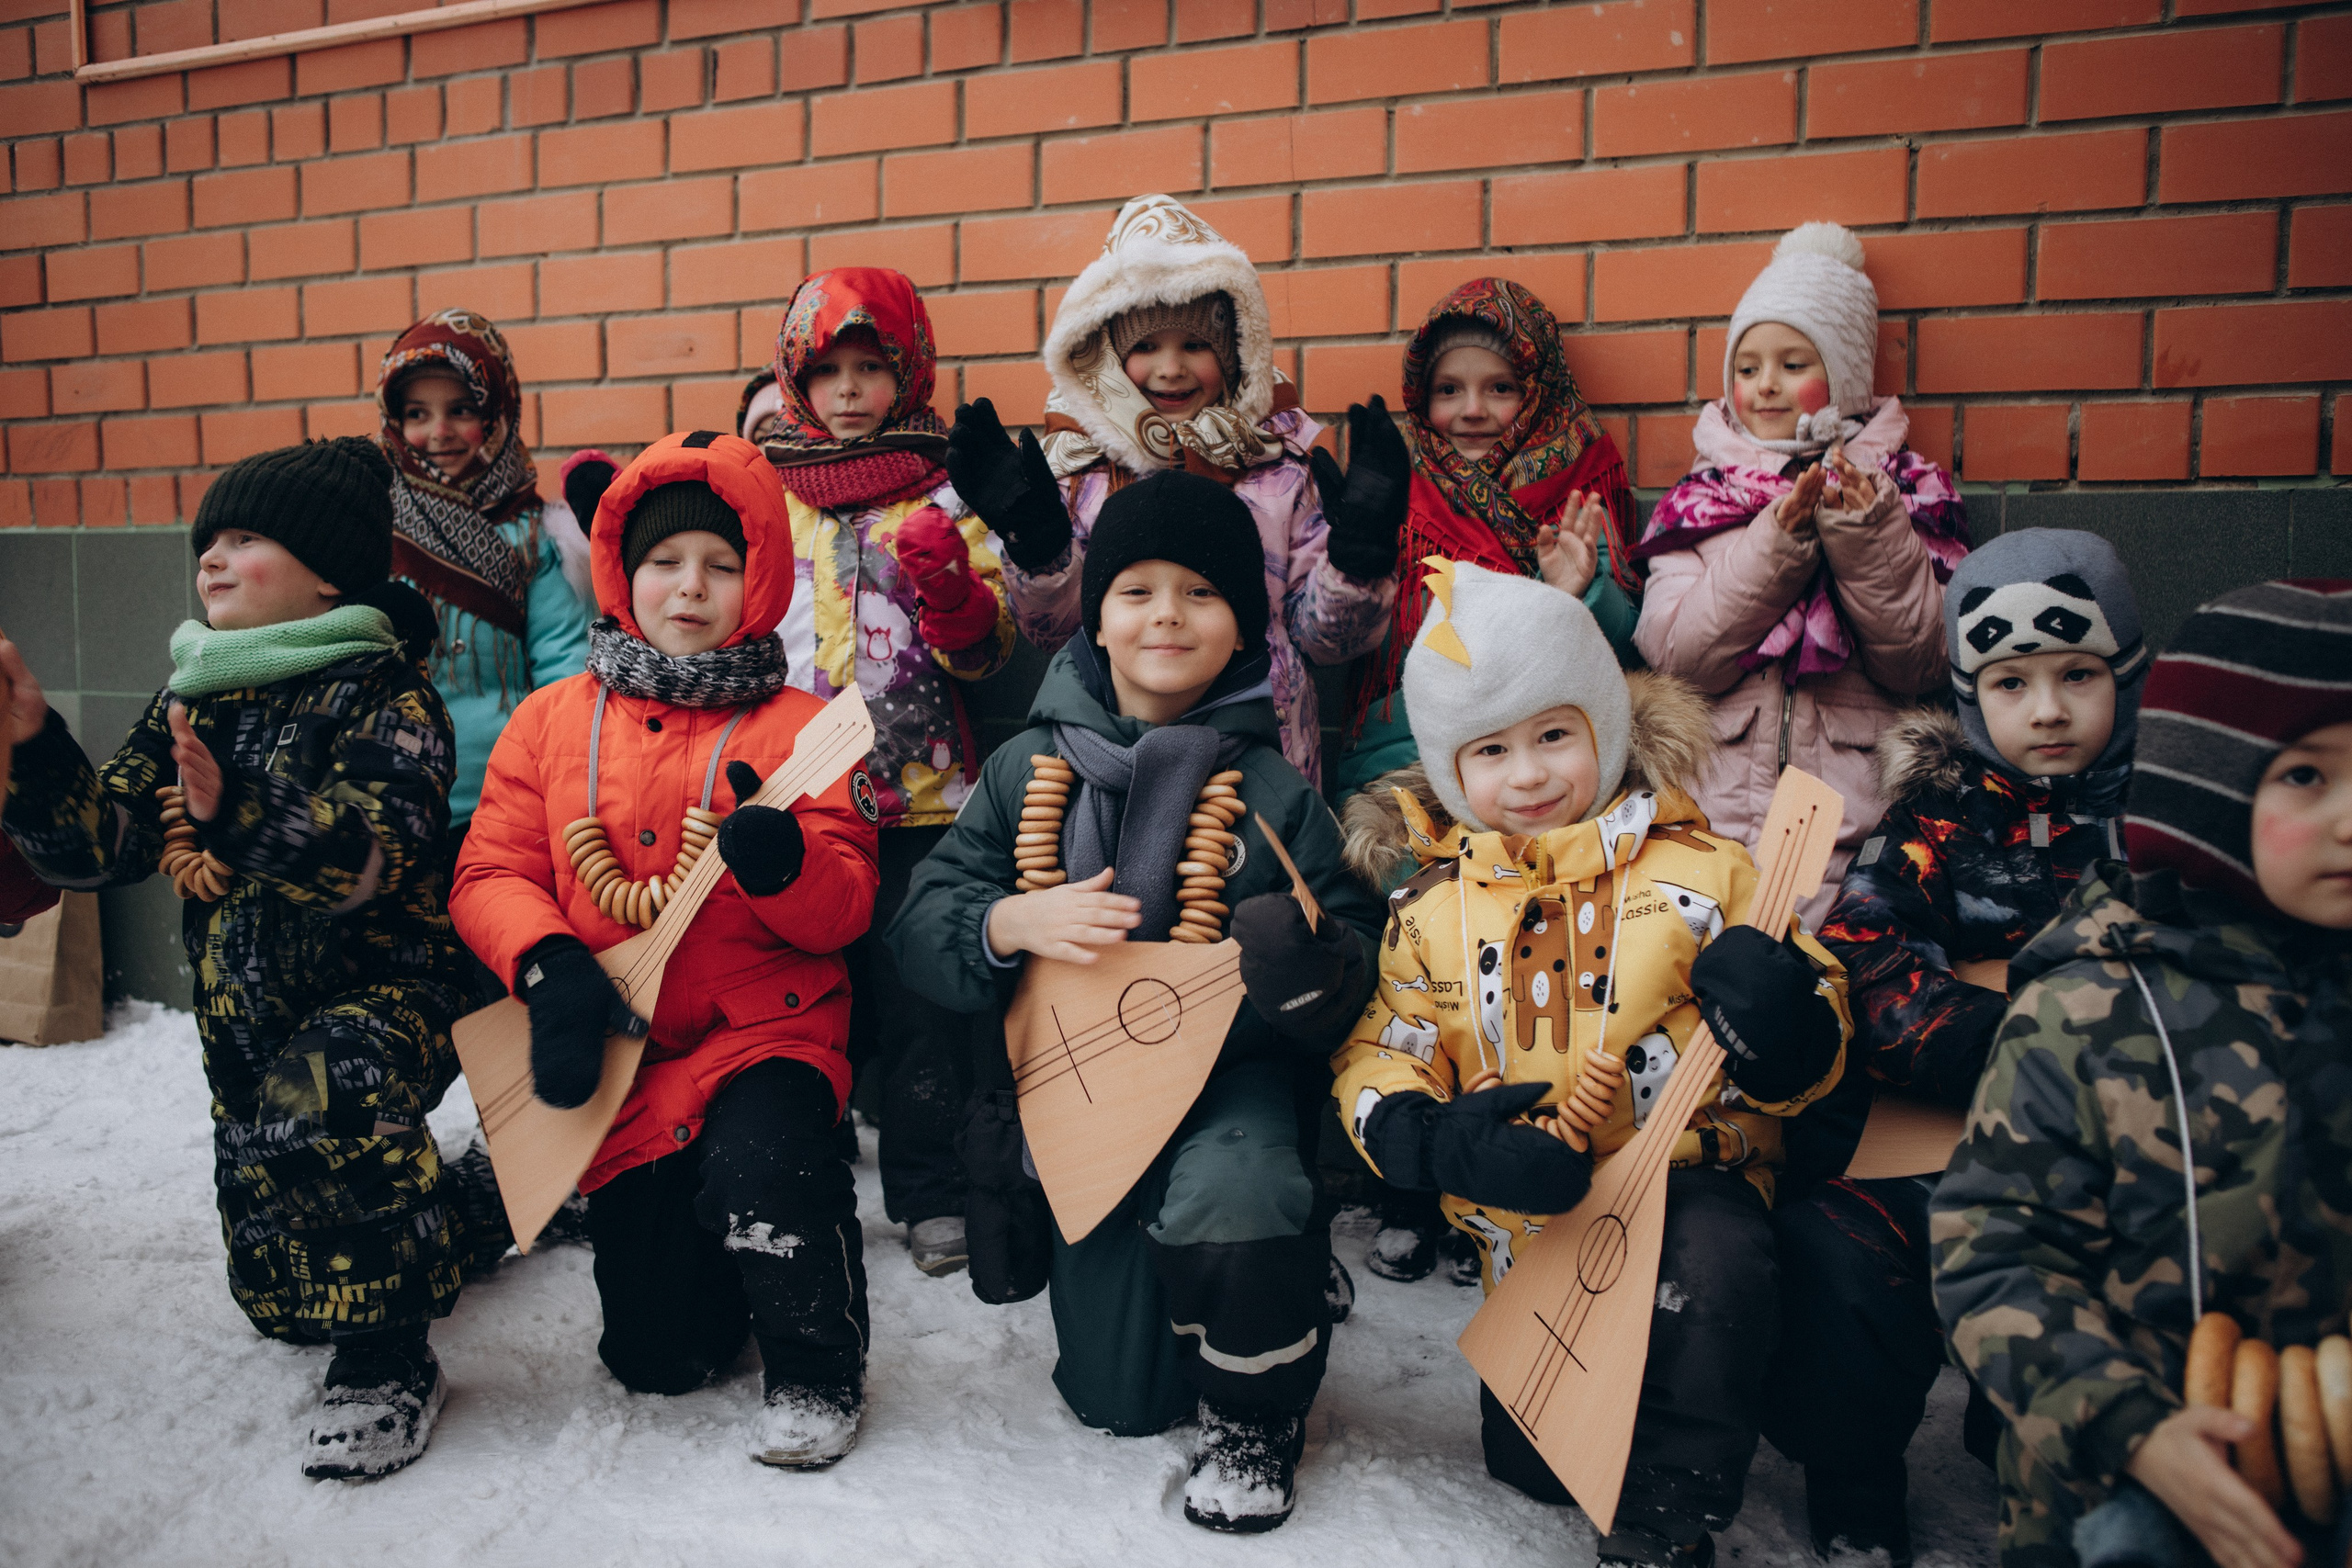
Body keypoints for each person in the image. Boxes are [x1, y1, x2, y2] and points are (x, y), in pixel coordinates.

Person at [888, 470, 1384, 1533]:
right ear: (1097, 621)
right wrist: (1004, 924)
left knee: (1241, 1195)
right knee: (1120, 1400)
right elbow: (923, 921)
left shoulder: (1275, 790)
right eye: (1138, 591)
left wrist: (1310, 968)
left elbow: (1356, 950)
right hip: (1079, 1102)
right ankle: (1190, 1305)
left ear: (1244, 633)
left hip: (1222, 1083)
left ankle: (1258, 1413)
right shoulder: (1026, 770)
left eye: (1201, 594)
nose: (1166, 614)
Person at [1337, 558, 1851, 1568]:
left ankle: (1673, 1500)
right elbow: (1383, 1048)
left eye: (1553, 736)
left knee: (1709, 1279)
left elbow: (1817, 1012)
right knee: (1535, 1466)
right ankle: (1583, 1434)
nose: (1527, 775)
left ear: (1605, 729)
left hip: (1690, 1183)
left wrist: (1788, 1022)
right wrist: (1431, 1139)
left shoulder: (1707, 871)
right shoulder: (1431, 911)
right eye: (1489, 750)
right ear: (1449, 771)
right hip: (1536, 1233)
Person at [0, 438, 476, 1479]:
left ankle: (391, 1362)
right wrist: (35, 750)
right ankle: (463, 1203)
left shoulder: (387, 695)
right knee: (284, 1300)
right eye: (206, 542)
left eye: (246, 538)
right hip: (251, 1026)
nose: (212, 559)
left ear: (330, 574)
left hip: (390, 1000)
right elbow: (101, 843)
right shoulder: (193, 693)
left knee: (326, 1104)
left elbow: (370, 857)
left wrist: (240, 812)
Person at [449, 432, 882, 1469]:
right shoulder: (551, 722)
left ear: (763, 577)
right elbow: (491, 872)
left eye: (722, 565)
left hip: (764, 1029)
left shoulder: (804, 728)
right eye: (664, 561)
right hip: (623, 1053)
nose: (690, 587)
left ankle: (818, 1362)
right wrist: (547, 961)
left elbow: (849, 907)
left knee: (765, 1170)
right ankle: (708, 1265)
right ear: (619, 572)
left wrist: (786, 869)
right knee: (657, 1356)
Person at [1933, 580, 2352, 1568]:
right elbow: (1992, 1251)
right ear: (2210, 783)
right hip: (2118, 1485)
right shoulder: (2090, 1008)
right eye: (2304, 778)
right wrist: (2129, 1430)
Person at [1770, 530, 2147, 1564]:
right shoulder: (1938, 812)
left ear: (2127, 673)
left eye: (2078, 675)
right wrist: (2009, 1040)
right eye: (2011, 681)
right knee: (1844, 1249)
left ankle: (2035, 1433)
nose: (2049, 710)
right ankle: (1852, 1484)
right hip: (1954, 1106)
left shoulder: (2164, 821)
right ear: (1973, 695)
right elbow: (1863, 944)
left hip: (2130, 1132)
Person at [944, 193, 1402, 788]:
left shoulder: (1278, 465)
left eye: (1195, 345)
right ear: (1108, 357)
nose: (1171, 368)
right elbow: (1053, 630)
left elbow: (1325, 639)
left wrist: (1358, 559)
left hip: (1266, 760)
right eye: (1145, 346)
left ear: (1236, 353)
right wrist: (1039, 547)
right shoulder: (1081, 471)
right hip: (1113, 762)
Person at [758, 267, 1015, 1278]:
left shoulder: (946, 493)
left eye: (873, 368)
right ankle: (808, 1170)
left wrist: (951, 586)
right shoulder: (769, 494)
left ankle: (928, 1186)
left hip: (920, 797)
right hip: (797, 798)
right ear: (796, 380)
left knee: (919, 1005)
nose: (852, 390)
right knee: (812, 989)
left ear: (910, 373)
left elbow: (984, 648)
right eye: (830, 371)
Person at [1633, 222, 1968, 928]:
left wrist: (1861, 530)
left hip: (1852, 801)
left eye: (1792, 363)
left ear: (1843, 375)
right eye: (1747, 367)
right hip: (1712, 799)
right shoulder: (1702, 499)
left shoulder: (1910, 493)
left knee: (1820, 981)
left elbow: (1924, 658)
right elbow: (1677, 656)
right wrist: (1778, 541)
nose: (1765, 386)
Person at [1338, 276, 1642, 796]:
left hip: (1541, 765)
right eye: (1448, 389)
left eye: (1500, 388)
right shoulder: (1397, 495)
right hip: (1405, 758)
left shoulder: (1579, 489)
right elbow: (1355, 648)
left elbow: (1625, 654)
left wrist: (1580, 594)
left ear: (1537, 393)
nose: (1472, 409)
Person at [376, 309, 593, 852]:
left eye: (462, 410)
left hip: (506, 805)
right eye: (416, 413)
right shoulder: (372, 530)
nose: (439, 432)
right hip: (385, 799)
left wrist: (555, 789)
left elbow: (563, 670)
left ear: (497, 413)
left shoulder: (538, 535)